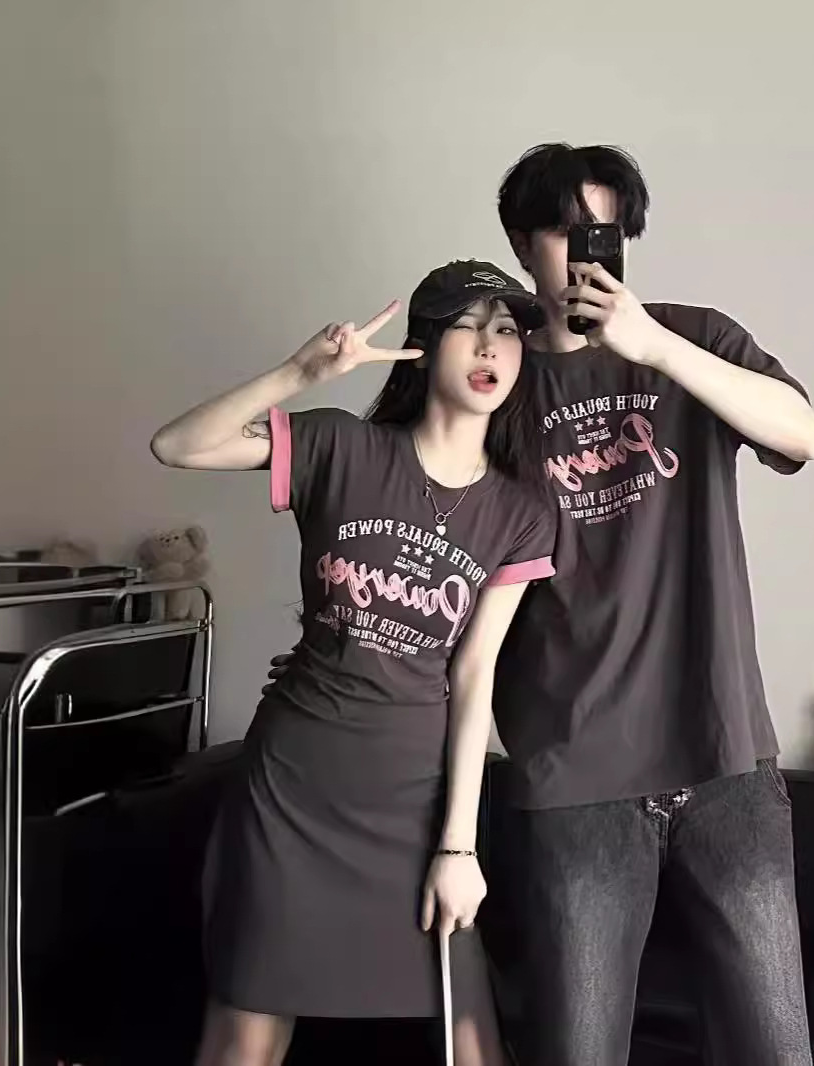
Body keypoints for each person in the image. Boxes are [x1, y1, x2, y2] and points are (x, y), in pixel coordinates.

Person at [150, 259, 555, 1066]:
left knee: (473, 1042)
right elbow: (177, 445)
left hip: (414, 803)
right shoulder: (339, 446)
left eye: (507, 329)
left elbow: (474, 676)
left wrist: (459, 848)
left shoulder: (520, 513)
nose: (489, 346)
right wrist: (301, 372)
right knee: (245, 1034)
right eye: (467, 326)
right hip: (293, 789)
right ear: (423, 346)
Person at [484, 143, 814, 1066]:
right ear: (522, 245)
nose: (587, 254)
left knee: (775, 1051)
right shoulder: (498, 381)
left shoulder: (694, 337)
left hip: (725, 758)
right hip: (574, 773)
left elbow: (805, 434)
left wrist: (653, 348)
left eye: (606, 232)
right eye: (566, 232)